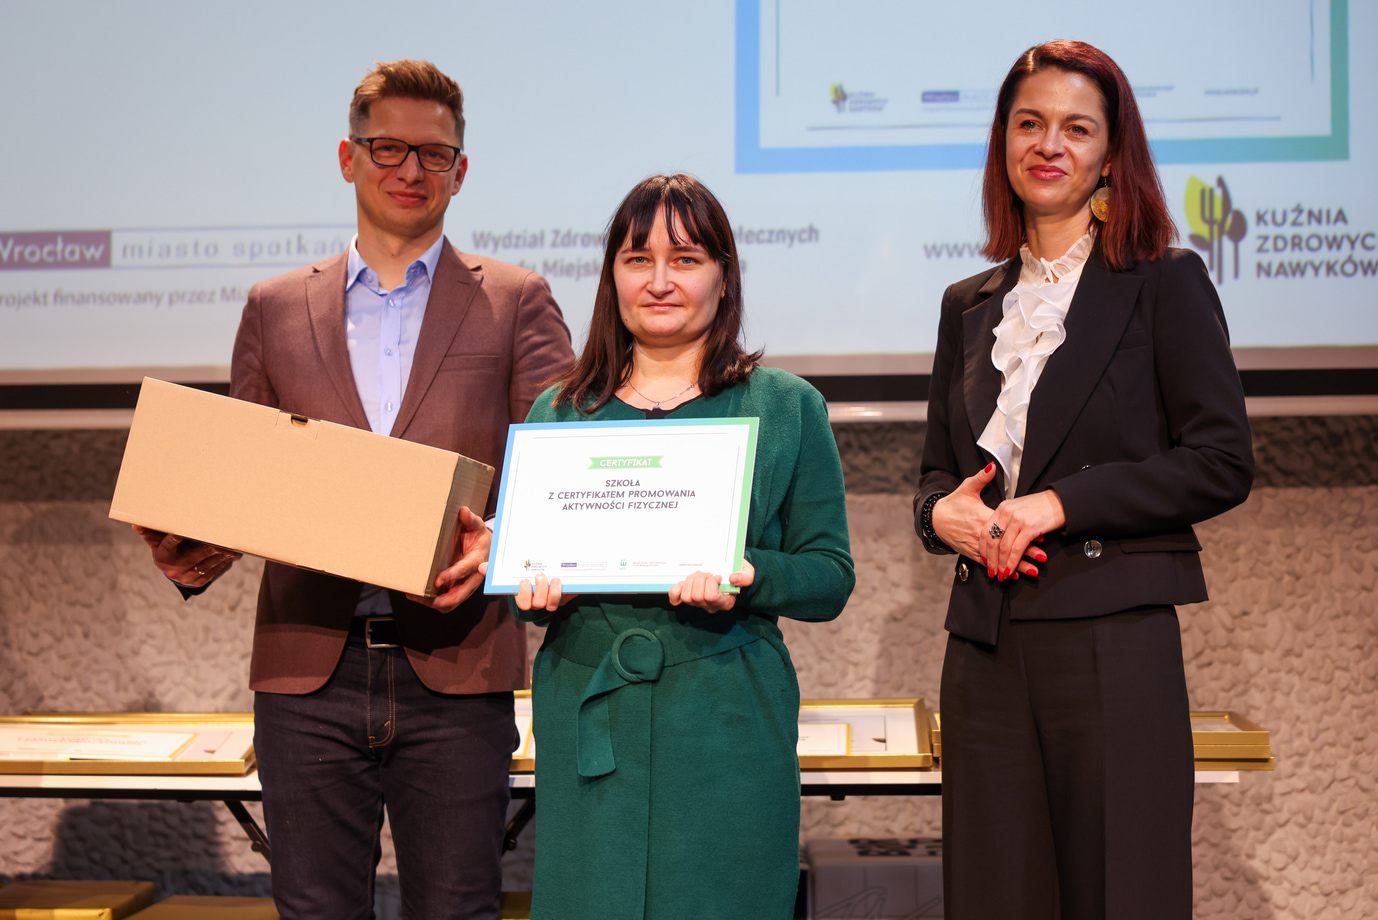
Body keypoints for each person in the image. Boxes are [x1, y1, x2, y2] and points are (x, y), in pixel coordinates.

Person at [134, 59, 573, 919]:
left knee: (457, 910)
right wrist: (191, 549)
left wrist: (508, 542)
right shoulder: (273, 307)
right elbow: (243, 482)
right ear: (348, 157)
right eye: (388, 148)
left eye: (435, 154)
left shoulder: (517, 300)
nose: (412, 170)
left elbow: (557, 473)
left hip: (457, 667)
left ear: (461, 171)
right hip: (307, 671)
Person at [913, 41, 1253, 920]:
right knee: (992, 898)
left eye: (1076, 128)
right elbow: (938, 473)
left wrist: (1061, 503)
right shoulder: (967, 304)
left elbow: (1221, 460)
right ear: (1003, 142)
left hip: (1113, 638)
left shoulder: (1164, 281)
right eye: (1030, 124)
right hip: (984, 648)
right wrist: (942, 516)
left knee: (1122, 895)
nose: (1049, 145)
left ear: (1110, 153)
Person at [509, 174, 855, 920]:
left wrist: (749, 573)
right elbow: (526, 579)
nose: (660, 281)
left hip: (726, 712)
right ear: (612, 277)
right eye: (638, 260)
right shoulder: (560, 410)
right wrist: (529, 589)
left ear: (724, 277)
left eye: (686, 259)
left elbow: (829, 576)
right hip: (586, 700)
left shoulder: (786, 406)